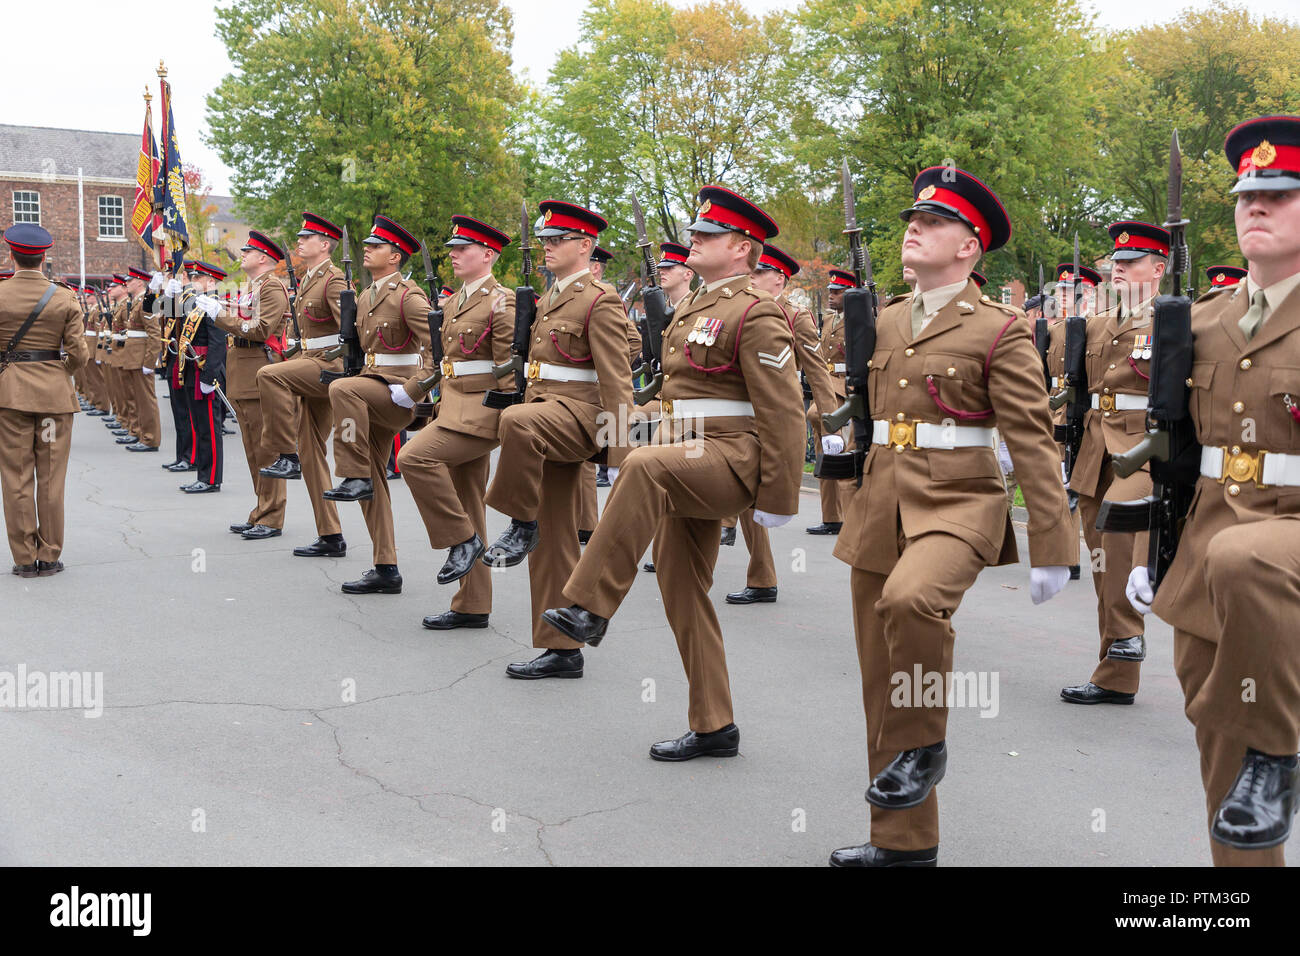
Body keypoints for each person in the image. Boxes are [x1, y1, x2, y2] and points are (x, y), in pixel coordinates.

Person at [827, 167, 1075, 866]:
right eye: (914, 218)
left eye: (934, 222)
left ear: (969, 247)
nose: (915, 227)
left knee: (912, 603)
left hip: (959, 501)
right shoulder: (884, 319)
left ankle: (926, 742)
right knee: (881, 674)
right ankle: (903, 844)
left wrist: (1055, 544)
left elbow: (1031, 438)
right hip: (881, 502)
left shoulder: (999, 328)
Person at [541, 185, 804, 756]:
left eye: (708, 235)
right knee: (681, 589)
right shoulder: (692, 307)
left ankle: (588, 606)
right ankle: (715, 724)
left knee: (646, 467)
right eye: (697, 233)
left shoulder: (756, 312)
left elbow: (783, 412)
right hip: (684, 451)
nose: (695, 241)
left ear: (741, 248)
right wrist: (618, 434)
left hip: (730, 457)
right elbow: (671, 398)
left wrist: (779, 498)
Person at [1128, 114, 1300, 864]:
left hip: (1281, 547)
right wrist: (1147, 552)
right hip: (1204, 557)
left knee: (1246, 559)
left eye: (1281, 194)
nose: (1255, 206)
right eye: (1245, 196)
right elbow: (1172, 455)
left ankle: (1280, 750)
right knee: (1226, 770)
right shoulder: (1198, 324)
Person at [479, 200, 633, 680]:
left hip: (578, 417)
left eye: (557, 240)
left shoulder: (600, 299)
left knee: (517, 422)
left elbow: (617, 380)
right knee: (555, 540)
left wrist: (618, 451)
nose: (547, 246)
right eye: (545, 239)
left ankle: (518, 523)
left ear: (585, 246)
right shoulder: (548, 298)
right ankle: (561, 650)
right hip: (549, 417)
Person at [1060, 222, 1169, 706]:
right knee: (1103, 563)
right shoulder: (1099, 322)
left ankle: (1126, 636)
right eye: (1116, 263)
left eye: (1131, 262)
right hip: (1095, 449)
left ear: (1159, 268)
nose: (1119, 269)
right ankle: (1116, 675)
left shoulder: (1174, 320)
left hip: (1143, 448)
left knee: (1121, 540)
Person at [396, 214, 514, 630]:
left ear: (488, 254)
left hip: (481, 411)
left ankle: (461, 541)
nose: (454, 255)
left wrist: (508, 415)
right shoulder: (456, 301)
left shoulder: (502, 300)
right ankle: (473, 604)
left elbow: (509, 367)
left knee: (412, 458)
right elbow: (442, 358)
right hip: (452, 406)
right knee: (468, 504)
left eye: (463, 249)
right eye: (453, 248)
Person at [725, 242, 839, 605]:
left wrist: (830, 419)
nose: (753, 276)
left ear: (779, 278)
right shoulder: (737, 307)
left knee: (750, 496)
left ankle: (762, 577)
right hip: (734, 412)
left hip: (770, 416)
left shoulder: (796, 316)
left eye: (760, 272)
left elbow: (817, 369)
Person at [321, 215, 431, 595]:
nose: (366, 250)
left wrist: (415, 390)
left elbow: (439, 349)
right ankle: (386, 567)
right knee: (374, 481)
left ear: (395, 256)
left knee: (342, 390)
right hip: (371, 387)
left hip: (396, 393)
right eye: (366, 245)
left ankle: (353, 474)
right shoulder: (366, 296)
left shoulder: (408, 296)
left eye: (376, 246)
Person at [255, 212, 350, 557]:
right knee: (313, 454)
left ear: (324, 245)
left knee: (269, 375)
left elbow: (349, 335)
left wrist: (342, 369)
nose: (299, 241)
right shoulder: (308, 278)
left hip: (327, 368)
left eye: (307, 237)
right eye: (300, 236)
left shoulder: (334, 281)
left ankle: (285, 454)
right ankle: (331, 535)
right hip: (310, 363)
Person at [0, 224, 88, 576]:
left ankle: (23, 558)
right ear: (44, 257)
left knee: (17, 475)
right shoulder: (64, 297)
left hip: (11, 395)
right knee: (51, 476)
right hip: (53, 398)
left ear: (10, 255)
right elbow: (79, 354)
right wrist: (59, 367)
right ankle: (49, 554)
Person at [212, 231, 290, 538]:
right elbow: (242, 319)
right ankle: (261, 510)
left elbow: (259, 330)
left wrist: (218, 316)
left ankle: (271, 516)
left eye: (249, 251)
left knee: (267, 448)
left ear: (264, 258)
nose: (242, 254)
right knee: (252, 449)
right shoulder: (252, 287)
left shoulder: (272, 288)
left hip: (261, 370)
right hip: (244, 372)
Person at [640, 241, 695, 573]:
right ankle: (664, 552)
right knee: (658, 475)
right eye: (659, 268)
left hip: (693, 407)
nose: (662, 273)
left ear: (687, 274)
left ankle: (763, 574)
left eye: (669, 268)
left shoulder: (697, 307)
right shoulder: (660, 308)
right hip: (667, 403)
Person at [806, 267, 858, 534]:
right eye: (830, 292)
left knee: (817, 417)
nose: (831, 296)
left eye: (837, 292)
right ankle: (832, 517)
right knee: (826, 451)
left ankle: (850, 514)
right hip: (826, 385)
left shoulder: (860, 318)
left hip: (844, 386)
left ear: (850, 294)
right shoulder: (828, 320)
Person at [178, 262, 229, 494]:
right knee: (200, 425)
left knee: (209, 426)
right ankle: (202, 472)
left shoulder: (214, 305)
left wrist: (209, 377)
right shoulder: (198, 304)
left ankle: (211, 479)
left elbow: (218, 344)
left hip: (205, 369)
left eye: (199, 277)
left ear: (211, 281)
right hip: (192, 367)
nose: (193, 280)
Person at [120, 267, 163, 453]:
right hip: (133, 358)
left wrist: (149, 362)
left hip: (141, 360)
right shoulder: (138, 301)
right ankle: (141, 433)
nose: (126, 284)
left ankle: (150, 438)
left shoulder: (147, 301)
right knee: (137, 399)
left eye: (129, 281)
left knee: (146, 400)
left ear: (139, 282)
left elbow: (154, 333)